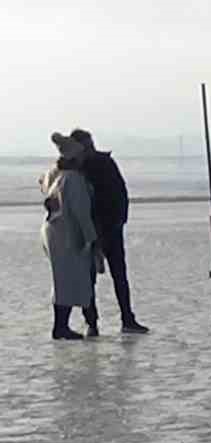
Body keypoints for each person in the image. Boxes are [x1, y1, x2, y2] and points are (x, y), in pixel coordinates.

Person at [69, 128, 148, 334]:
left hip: (110, 226)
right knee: (89, 279)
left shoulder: (104, 163)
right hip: (88, 230)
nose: (90, 148)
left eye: (90, 143)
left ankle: (127, 319)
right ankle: (92, 322)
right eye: (86, 145)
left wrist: (120, 220)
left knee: (118, 275)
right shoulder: (74, 168)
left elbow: (121, 192)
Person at [40, 133, 99, 340]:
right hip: (66, 235)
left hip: (53, 232)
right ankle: (61, 327)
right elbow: (81, 213)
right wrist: (91, 239)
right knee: (70, 281)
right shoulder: (74, 180)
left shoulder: (56, 177)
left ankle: (61, 326)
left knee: (62, 281)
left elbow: (43, 184)